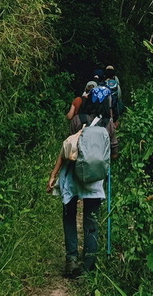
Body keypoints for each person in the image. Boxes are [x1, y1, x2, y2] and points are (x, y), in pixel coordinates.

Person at [47, 89, 118, 278]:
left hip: (72, 178)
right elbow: (114, 153)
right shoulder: (109, 125)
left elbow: (67, 148)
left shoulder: (77, 120)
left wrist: (53, 175)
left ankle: (71, 260)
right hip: (95, 181)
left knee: (69, 216)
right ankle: (88, 264)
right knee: (91, 220)